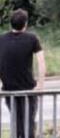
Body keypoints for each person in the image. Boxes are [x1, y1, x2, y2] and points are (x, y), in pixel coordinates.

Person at [0, 9, 46, 138]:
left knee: (16, 124)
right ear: (25, 24)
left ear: (11, 24)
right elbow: (41, 63)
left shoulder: (1, 40)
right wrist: (41, 85)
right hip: (28, 89)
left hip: (9, 89)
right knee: (29, 124)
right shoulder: (32, 38)